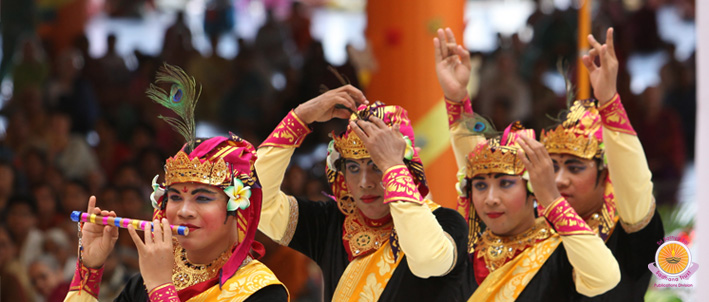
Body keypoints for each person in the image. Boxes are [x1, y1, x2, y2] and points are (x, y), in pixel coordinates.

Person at [63, 64, 288, 301]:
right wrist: (89, 269)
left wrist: (161, 288)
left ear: (238, 207)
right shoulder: (148, 277)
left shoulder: (261, 291)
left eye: (202, 198)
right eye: (175, 197)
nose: (184, 211)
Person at [434, 27, 621, 300]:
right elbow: (470, 162)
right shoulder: (463, 249)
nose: (491, 199)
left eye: (506, 183)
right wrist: (456, 97)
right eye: (481, 186)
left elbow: (606, 277)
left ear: (533, 189)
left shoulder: (559, 251)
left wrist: (552, 199)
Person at [255, 86, 473, 301]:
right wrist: (299, 118)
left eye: (376, 166)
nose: (365, 182)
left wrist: (391, 165)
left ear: (405, 168)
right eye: (353, 168)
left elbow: (427, 259)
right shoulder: (333, 221)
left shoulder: (447, 223)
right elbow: (259, 204)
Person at [540, 28, 665, 299]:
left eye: (575, 167)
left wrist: (609, 102)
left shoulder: (627, 232)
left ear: (607, 173)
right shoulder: (535, 226)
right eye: (554, 167)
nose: (560, 180)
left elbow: (633, 182)